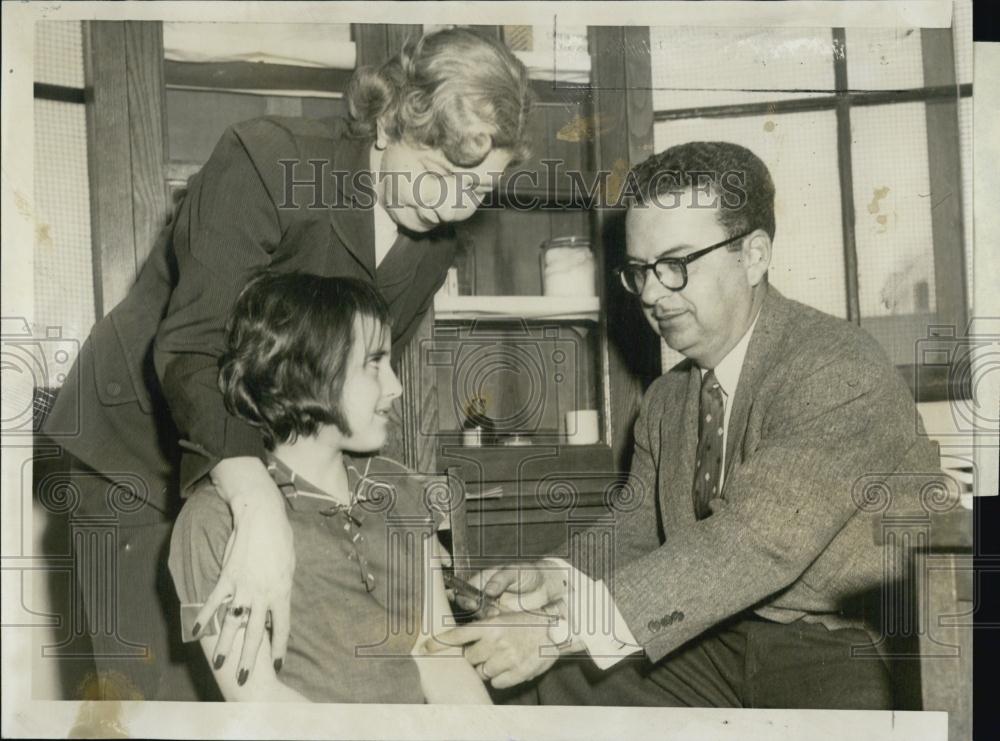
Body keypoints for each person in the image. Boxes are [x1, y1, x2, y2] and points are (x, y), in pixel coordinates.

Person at [42, 27, 532, 699]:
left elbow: (360, 390)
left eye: (479, 189)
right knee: (158, 698)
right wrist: (257, 504)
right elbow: (193, 345)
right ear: (388, 125)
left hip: (266, 466)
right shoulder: (268, 163)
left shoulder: (432, 245)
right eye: (442, 175)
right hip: (135, 453)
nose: (454, 205)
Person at [428, 141, 950, 709]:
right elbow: (637, 525)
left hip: (842, 650)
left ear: (753, 256)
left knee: (562, 649)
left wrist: (558, 627)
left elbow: (755, 543)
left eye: (675, 265)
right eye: (639, 271)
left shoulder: (837, 370)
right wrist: (556, 576)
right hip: (720, 636)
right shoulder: (668, 397)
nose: (651, 293)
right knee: (555, 678)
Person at [168, 272, 490, 703]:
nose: (395, 386)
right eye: (374, 363)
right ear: (306, 371)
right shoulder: (214, 522)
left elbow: (439, 656)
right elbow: (262, 704)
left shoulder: (402, 491)